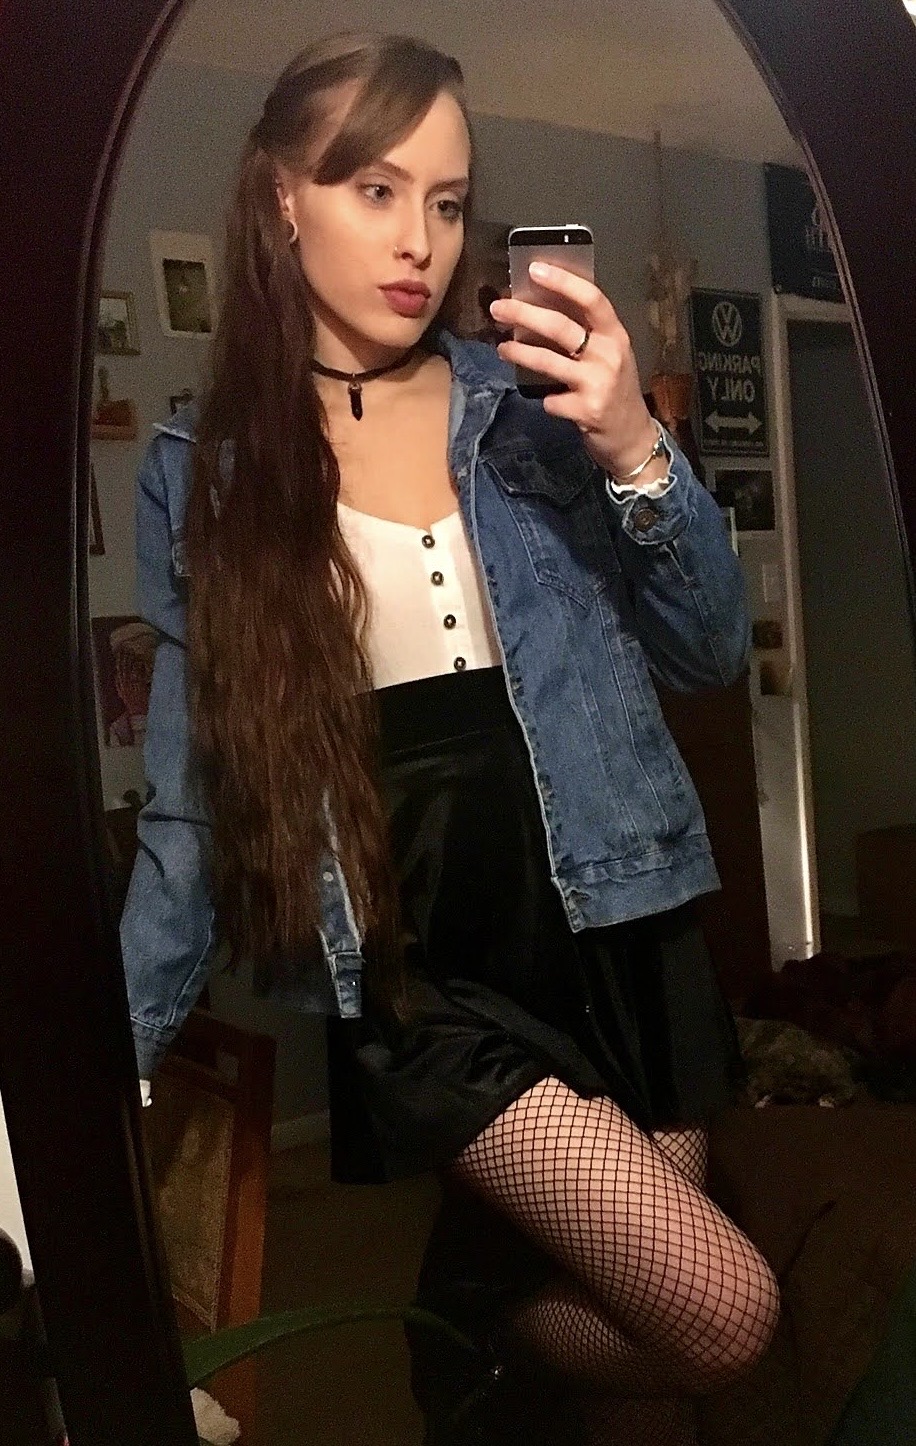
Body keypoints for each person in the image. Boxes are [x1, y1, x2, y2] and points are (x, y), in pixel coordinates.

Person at [120, 32, 779, 1446]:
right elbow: (186, 803)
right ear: (282, 195)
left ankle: (490, 1360)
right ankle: (474, 1331)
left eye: (448, 200)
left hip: (620, 907)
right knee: (720, 1312)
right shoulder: (207, 470)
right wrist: (115, 1053)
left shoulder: (533, 412)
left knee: (631, 1358)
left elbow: (710, 651)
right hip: (424, 954)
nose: (419, 239)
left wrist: (635, 447)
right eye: (374, 189)